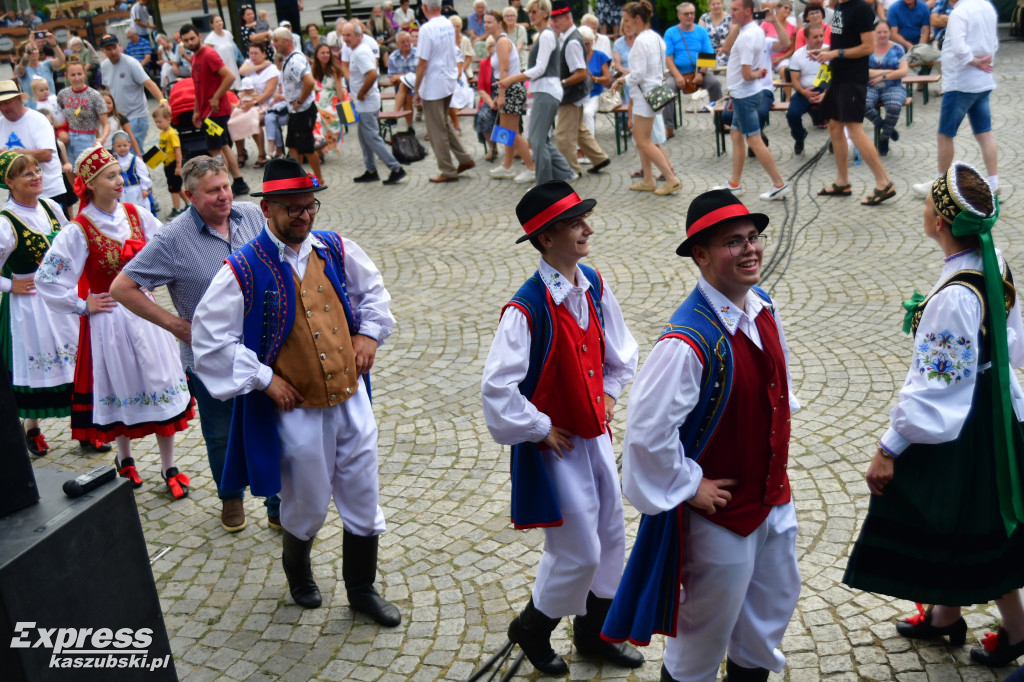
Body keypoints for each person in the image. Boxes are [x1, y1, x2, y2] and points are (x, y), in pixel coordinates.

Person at [190, 157, 402, 626]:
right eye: (292, 209)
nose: (303, 216)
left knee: (364, 494)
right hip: (296, 411)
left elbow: (375, 295)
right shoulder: (242, 268)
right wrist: (265, 379)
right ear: (267, 209)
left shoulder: (335, 249)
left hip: (352, 399)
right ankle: (299, 573)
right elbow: (208, 340)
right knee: (304, 501)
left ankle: (362, 590)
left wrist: (368, 334)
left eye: (309, 207)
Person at [603, 188, 801, 682]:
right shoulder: (687, 342)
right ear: (701, 254)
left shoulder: (763, 307)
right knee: (702, 641)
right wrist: (690, 486)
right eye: (734, 242)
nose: (751, 249)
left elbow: (778, 390)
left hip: (773, 501)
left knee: (764, 623)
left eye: (753, 237)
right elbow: (646, 436)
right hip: (721, 520)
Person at [843, 162, 1024, 669]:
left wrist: (888, 448)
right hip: (991, 407)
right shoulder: (993, 261)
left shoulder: (954, 298)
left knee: (960, 516)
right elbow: (1012, 341)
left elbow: (935, 389)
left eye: (928, 202)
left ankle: (1016, 630)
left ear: (940, 221)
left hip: (962, 425)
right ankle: (947, 616)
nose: (922, 209)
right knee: (973, 519)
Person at [481, 180, 641, 675]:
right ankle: (532, 627)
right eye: (575, 223)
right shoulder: (526, 308)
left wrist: (609, 394)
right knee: (578, 549)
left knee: (610, 535)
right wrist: (538, 427)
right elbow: (497, 389)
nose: (587, 228)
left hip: (593, 436)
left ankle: (594, 634)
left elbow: (620, 352)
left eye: (584, 219)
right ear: (546, 239)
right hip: (556, 449)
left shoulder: (591, 283)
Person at [110, 155, 280, 532]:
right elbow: (122, 287)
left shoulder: (251, 216)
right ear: (188, 195)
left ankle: (276, 501)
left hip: (265, 348)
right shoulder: (171, 239)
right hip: (210, 357)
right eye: (212, 191)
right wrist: (175, 325)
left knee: (270, 423)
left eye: (225, 187)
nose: (223, 197)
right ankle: (230, 497)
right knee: (221, 433)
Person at [36, 146, 194, 497]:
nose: (119, 180)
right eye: (110, 176)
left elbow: (169, 249)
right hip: (110, 320)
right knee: (120, 385)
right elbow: (47, 279)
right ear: (90, 184)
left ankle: (170, 465)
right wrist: (82, 304)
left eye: (119, 173)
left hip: (147, 317)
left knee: (159, 382)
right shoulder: (79, 230)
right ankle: (126, 460)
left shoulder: (137, 214)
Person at [0, 151, 78, 456]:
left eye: (37, 170)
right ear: (9, 182)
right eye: (27, 174)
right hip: (29, 309)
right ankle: (31, 427)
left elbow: (72, 240)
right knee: (39, 367)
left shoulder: (50, 206)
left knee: (74, 362)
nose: (37, 177)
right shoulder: (5, 222)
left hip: (60, 298)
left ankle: (84, 427)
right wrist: (10, 284)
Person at [910, 0, 998, 198]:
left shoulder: (959, 13)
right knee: (984, 133)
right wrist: (984, 61)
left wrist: (975, 61)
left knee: (945, 134)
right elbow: (994, 43)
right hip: (982, 82)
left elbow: (959, 48)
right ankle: (994, 182)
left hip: (961, 83)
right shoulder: (986, 6)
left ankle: (940, 184)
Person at [813, 0, 896, 205]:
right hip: (838, 76)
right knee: (834, 126)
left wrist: (836, 53)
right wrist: (825, 51)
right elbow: (844, 42)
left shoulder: (861, 9)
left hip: (853, 79)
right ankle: (843, 182)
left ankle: (884, 183)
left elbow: (868, 47)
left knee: (855, 130)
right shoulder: (841, 6)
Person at [499, 0, 572, 186]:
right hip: (543, 90)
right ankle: (565, 171)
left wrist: (511, 80)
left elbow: (540, 68)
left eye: (534, 11)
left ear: (545, 13)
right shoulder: (544, 35)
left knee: (535, 140)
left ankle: (543, 184)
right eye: (529, 12)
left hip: (546, 90)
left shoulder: (546, 36)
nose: (531, 15)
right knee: (538, 138)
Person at [180, 24, 250, 197]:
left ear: (199, 36)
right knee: (223, 146)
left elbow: (230, 77)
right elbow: (199, 88)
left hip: (216, 112)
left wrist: (215, 97)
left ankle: (225, 183)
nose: (190, 42)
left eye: (192, 38)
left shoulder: (209, 54)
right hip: (207, 112)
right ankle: (238, 181)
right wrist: (196, 111)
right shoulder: (195, 57)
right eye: (186, 40)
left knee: (215, 149)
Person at [414, 0, 475, 183]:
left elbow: (423, 62)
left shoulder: (426, 29)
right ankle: (464, 158)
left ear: (424, 8)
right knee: (445, 124)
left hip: (433, 85)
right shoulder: (448, 24)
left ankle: (447, 170)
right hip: (447, 81)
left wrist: (416, 89)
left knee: (436, 130)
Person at [623, 1, 681, 196]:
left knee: (644, 141)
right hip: (655, 92)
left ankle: (670, 178)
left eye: (627, 21)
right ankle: (648, 179)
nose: (625, 25)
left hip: (644, 96)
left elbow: (638, 74)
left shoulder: (640, 41)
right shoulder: (656, 37)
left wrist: (621, 80)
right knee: (644, 139)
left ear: (638, 19)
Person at [549, 0, 608, 178]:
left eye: (558, 19)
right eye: (553, 19)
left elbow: (581, 73)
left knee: (564, 136)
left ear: (568, 17)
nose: (554, 23)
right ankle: (599, 158)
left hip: (572, 94)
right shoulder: (567, 37)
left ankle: (570, 170)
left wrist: (562, 83)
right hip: (576, 93)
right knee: (578, 129)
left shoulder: (572, 41)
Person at [344, 23, 407, 186]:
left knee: (372, 137)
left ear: (358, 35)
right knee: (364, 137)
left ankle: (396, 168)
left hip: (366, 103)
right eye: (344, 35)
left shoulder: (360, 53)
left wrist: (361, 92)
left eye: (349, 35)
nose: (345, 39)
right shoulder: (359, 50)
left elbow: (372, 74)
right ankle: (371, 170)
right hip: (364, 103)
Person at [483, 11, 535, 183]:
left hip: (510, 89)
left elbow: (504, 70)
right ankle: (507, 166)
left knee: (511, 132)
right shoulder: (500, 41)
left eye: (489, 22)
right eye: (485, 22)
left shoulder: (502, 42)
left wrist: (501, 94)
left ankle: (531, 168)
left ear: (499, 23)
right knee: (506, 131)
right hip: (509, 88)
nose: (486, 25)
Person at [662, 2, 724, 139]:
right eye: (686, 14)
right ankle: (668, 127)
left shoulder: (701, 31)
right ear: (679, 16)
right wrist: (678, 76)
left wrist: (701, 74)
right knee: (667, 89)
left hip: (698, 71)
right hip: (678, 72)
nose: (690, 16)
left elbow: (708, 55)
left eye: (692, 13)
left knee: (715, 84)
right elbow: (668, 58)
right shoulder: (670, 32)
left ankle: (720, 121)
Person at [0, 80, 66, 207]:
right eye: (0, 104)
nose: (3, 108)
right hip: (19, 196)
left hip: (48, 192)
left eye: (7, 102)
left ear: (19, 99)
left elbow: (46, 155)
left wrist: (9, 154)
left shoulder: (38, 120)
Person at [98, 33, 165, 149]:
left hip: (136, 115)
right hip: (119, 117)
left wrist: (162, 99)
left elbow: (149, 84)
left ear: (119, 45)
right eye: (109, 49)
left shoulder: (131, 63)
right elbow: (107, 89)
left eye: (114, 48)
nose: (113, 52)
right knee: (125, 152)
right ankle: (144, 165)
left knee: (132, 150)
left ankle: (143, 165)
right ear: (103, 50)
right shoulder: (104, 66)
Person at [864, 21, 907, 157]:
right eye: (879, 32)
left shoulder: (898, 49)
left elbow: (903, 71)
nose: (882, 35)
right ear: (874, 33)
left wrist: (883, 76)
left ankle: (884, 137)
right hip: (870, 86)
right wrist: (888, 71)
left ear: (889, 32)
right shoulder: (867, 48)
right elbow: (864, 72)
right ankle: (885, 127)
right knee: (862, 104)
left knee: (894, 106)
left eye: (885, 32)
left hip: (893, 86)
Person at [58, 61, 110, 163]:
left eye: (79, 74)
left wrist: (102, 139)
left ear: (85, 74)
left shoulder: (95, 95)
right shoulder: (63, 94)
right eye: (73, 75)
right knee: (70, 173)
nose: (77, 78)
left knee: (87, 173)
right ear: (66, 76)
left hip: (87, 139)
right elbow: (59, 117)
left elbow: (106, 124)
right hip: (68, 138)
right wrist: (60, 132)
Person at [786, 24, 827, 155]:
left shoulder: (829, 52)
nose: (820, 39)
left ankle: (835, 140)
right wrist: (804, 92)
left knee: (838, 112)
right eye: (815, 37)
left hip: (826, 90)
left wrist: (826, 93)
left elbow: (837, 77)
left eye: (821, 36)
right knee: (792, 114)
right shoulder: (798, 55)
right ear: (807, 38)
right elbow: (795, 80)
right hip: (804, 91)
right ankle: (799, 136)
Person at [238, 43, 280, 168]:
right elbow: (242, 71)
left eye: (256, 53)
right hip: (248, 102)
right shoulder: (249, 63)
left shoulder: (271, 69)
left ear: (264, 54)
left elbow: (269, 92)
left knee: (254, 121)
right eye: (251, 53)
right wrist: (260, 65)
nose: (253, 56)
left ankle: (261, 154)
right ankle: (241, 153)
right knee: (234, 120)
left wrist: (254, 103)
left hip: (265, 104)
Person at [151, 104, 184, 216]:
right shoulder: (162, 133)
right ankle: (189, 203)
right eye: (156, 122)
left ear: (168, 119)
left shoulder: (171, 134)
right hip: (167, 164)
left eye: (159, 121)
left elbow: (178, 150)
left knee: (173, 188)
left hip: (174, 164)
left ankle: (176, 209)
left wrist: (179, 166)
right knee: (177, 187)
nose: (157, 124)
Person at [580, 27, 610, 147]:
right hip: (578, 94)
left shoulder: (600, 56)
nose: (583, 46)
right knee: (575, 113)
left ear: (592, 42)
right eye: (581, 43)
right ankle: (579, 148)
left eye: (586, 44)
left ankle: (590, 148)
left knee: (587, 113)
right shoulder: (575, 56)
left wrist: (594, 79)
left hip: (595, 93)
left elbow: (607, 79)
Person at [16, 34, 64, 109]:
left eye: (35, 49)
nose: (33, 52)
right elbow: (21, 69)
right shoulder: (21, 69)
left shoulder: (47, 64)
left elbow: (61, 60)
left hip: (52, 107)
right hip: (34, 109)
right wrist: (30, 47)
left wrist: (54, 44)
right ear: (24, 54)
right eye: (30, 50)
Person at [111, 130, 151, 207]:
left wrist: (145, 188)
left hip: (137, 191)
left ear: (130, 145)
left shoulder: (135, 160)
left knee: (139, 210)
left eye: (125, 145)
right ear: (113, 147)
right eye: (119, 146)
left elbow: (144, 175)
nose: (122, 148)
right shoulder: (114, 161)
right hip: (122, 192)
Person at [204, 16, 242, 92]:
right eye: (216, 22)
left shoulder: (228, 34)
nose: (219, 23)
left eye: (220, 21)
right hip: (221, 67)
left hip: (231, 64)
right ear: (212, 25)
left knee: (234, 87)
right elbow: (207, 54)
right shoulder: (210, 38)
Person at [101, 90, 142, 156]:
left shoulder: (120, 117)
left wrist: (138, 154)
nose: (106, 105)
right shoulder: (94, 120)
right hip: (101, 153)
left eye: (109, 103)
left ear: (113, 103)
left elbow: (131, 136)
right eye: (103, 103)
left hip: (119, 152)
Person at [700, 0, 732, 67]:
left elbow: (734, 37)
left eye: (718, 4)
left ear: (722, 4)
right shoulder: (704, 18)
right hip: (708, 50)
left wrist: (724, 48)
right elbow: (700, 38)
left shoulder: (729, 18)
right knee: (704, 66)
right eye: (713, 4)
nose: (716, 6)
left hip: (726, 51)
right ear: (709, 6)